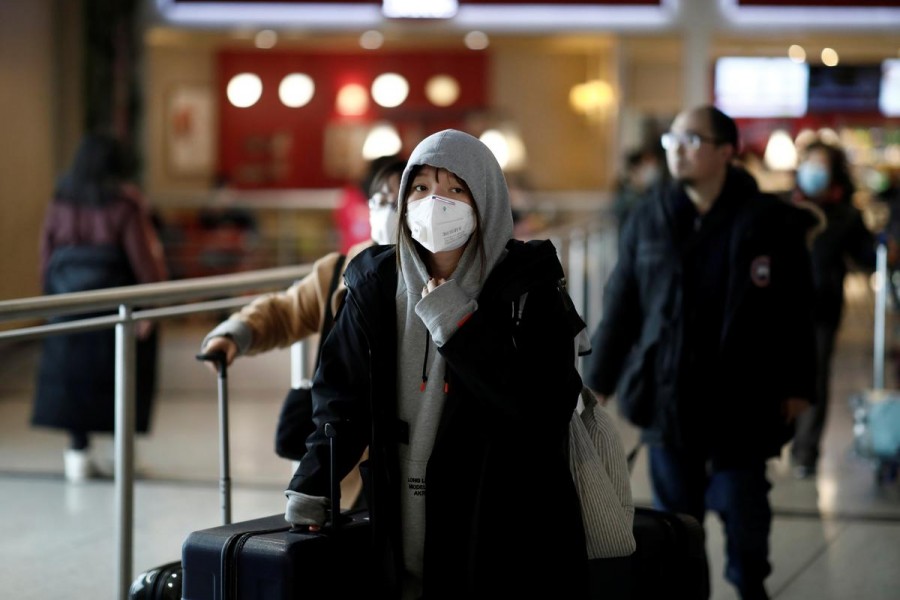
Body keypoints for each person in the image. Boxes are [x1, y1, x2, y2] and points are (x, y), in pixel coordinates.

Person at [284, 129, 590, 599]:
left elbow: (542, 409)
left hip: (500, 518)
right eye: (422, 188)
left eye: (455, 189)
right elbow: (340, 400)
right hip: (400, 504)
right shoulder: (374, 282)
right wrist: (312, 485)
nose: (435, 203)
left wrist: (457, 324)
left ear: (484, 198)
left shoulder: (530, 286)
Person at [583, 105, 817, 600]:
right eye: (673, 140)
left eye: (692, 140)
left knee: (743, 506)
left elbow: (797, 308)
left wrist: (799, 384)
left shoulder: (768, 220)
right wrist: (597, 380)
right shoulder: (649, 214)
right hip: (670, 392)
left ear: (726, 152)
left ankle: (750, 583)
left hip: (744, 394)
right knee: (679, 522)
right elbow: (622, 301)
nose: (679, 150)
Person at [200, 158, 407, 506]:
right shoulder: (339, 271)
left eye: (400, 200)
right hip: (350, 456)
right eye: (380, 200)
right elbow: (285, 310)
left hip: (410, 448)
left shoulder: (438, 277)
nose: (388, 210)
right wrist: (238, 332)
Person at [32, 132, 169, 483]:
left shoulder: (61, 201)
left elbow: (46, 256)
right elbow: (144, 259)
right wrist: (150, 303)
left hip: (69, 305)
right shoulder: (124, 205)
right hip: (115, 309)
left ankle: (77, 454)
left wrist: (52, 298)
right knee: (121, 378)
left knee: (72, 379)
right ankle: (121, 455)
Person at [789, 139, 877, 479]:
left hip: (823, 308)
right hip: (781, 309)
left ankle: (805, 451)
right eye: (810, 161)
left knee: (814, 378)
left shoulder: (846, 214)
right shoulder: (787, 208)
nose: (814, 169)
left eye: (821, 163)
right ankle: (775, 440)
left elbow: (864, 256)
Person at [611, 147, 664, 229]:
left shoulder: (652, 194)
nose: (651, 170)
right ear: (634, 169)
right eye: (645, 166)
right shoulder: (627, 200)